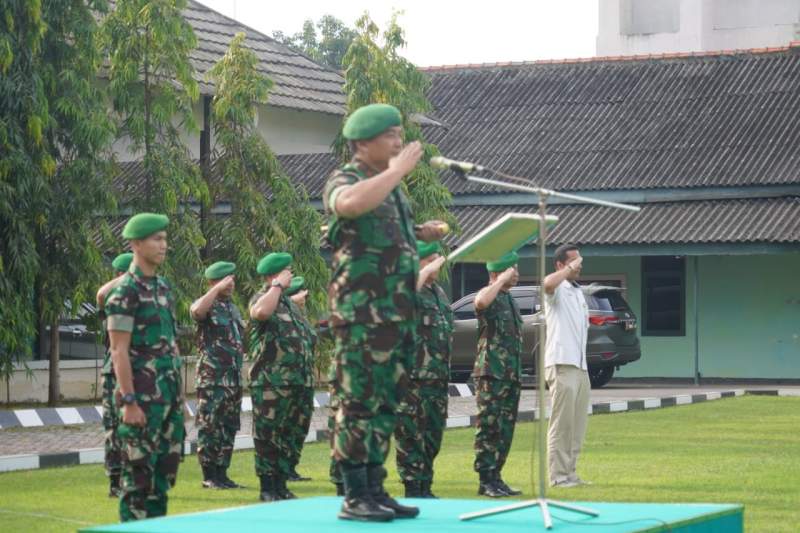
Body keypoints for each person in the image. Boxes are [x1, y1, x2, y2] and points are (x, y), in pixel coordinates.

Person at [323, 102, 448, 521]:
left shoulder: (390, 188)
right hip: (362, 316)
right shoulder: (347, 178)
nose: (399, 142)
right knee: (358, 401)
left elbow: (383, 232)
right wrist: (397, 171)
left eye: (399, 135)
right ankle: (354, 493)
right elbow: (349, 206)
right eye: (391, 135)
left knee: (386, 402)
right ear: (363, 142)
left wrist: (420, 231)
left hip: (396, 315)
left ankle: (375, 488)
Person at [105, 213, 185, 521]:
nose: (164, 245)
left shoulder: (163, 288)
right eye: (157, 239)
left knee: (161, 480)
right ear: (136, 244)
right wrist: (129, 401)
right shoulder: (125, 292)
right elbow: (118, 350)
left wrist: (178, 398)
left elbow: (171, 344)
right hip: (141, 401)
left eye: (165, 238)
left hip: (167, 401)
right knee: (137, 482)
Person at [248, 252, 311, 502]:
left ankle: (281, 484)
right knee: (269, 435)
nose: (291, 274)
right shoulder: (264, 297)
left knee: (290, 434)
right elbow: (260, 313)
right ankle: (268, 488)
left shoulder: (287, 304)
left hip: (297, 383)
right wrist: (275, 286)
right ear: (275, 274)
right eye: (287, 271)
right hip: (271, 383)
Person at [395, 241, 453, 498]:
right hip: (413, 380)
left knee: (433, 433)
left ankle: (426, 485)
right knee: (410, 434)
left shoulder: (439, 293)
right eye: (431, 259)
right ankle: (412, 487)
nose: (437, 263)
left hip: (437, 378)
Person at [472, 251, 524, 498]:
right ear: (498, 272)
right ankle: (485, 479)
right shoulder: (490, 295)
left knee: (505, 429)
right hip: (491, 373)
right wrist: (499, 281)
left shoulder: (509, 300)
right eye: (512, 269)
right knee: (489, 428)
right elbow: (479, 302)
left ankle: (497, 476)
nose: (517, 274)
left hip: (510, 375)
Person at [190, 261, 244, 490]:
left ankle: (222, 474)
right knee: (210, 425)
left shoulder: (232, 308)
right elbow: (196, 311)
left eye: (232, 279)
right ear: (215, 281)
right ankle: (209, 475)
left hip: (232, 378)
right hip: (212, 378)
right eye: (226, 280)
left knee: (229, 426)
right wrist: (215, 289)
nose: (231, 284)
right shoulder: (208, 304)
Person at [542, 244, 590, 488]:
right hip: (562, 363)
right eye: (573, 261)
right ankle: (558, 477)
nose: (579, 264)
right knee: (562, 424)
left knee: (577, 424)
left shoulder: (576, 290)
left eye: (580, 260)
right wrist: (567, 269)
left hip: (580, 366)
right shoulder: (557, 287)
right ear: (561, 264)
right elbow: (547, 284)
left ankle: (570, 473)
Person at [96, 252, 133, 498]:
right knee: (115, 428)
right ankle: (115, 482)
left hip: (140, 371)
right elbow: (100, 295)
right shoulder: (114, 297)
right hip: (114, 375)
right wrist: (128, 275)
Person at [285, 276, 316, 482]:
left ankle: (291, 467)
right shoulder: (281, 317)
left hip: (304, 380)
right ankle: (281, 470)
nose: (304, 298)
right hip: (286, 381)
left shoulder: (302, 320)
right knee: (285, 426)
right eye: (301, 294)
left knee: (300, 426)